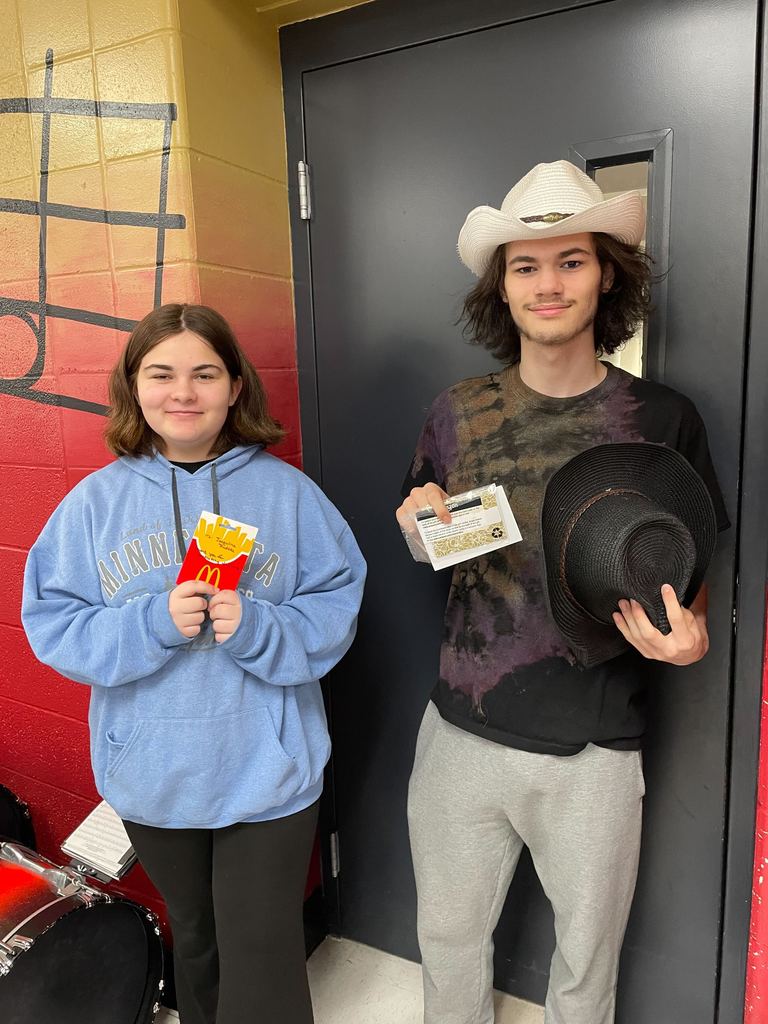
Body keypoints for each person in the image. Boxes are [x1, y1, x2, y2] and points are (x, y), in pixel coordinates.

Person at [396, 161, 729, 1024]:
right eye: (525, 265)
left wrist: (689, 636)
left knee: (586, 969)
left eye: (571, 260)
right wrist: (415, 526)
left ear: (606, 272)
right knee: (448, 944)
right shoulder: (455, 411)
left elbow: (687, 577)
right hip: (458, 738)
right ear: (500, 288)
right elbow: (427, 532)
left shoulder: (662, 419)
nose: (549, 283)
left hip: (594, 750)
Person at [22, 303, 366, 1024]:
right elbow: (53, 623)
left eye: (205, 373)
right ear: (134, 386)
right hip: (154, 772)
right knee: (200, 940)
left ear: (236, 386)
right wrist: (152, 621)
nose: (184, 392)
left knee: (260, 949)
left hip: (268, 769)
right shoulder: (93, 506)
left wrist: (263, 624)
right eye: (163, 373)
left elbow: (338, 606)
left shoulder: (289, 496)